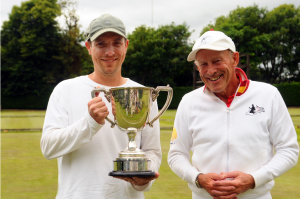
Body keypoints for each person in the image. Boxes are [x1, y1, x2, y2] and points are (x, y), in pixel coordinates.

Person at [41, 14, 161, 199]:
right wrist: (89, 123)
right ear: (89, 47)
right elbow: (48, 148)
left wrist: (145, 178)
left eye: (117, 43)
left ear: (126, 46)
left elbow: (152, 150)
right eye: (101, 44)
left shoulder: (142, 94)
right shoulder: (65, 89)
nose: (110, 52)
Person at [168, 30, 299, 199]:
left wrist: (253, 180)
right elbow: (176, 154)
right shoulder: (189, 101)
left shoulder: (268, 94)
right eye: (203, 64)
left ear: (234, 59)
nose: (211, 71)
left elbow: (288, 150)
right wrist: (199, 179)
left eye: (217, 61)